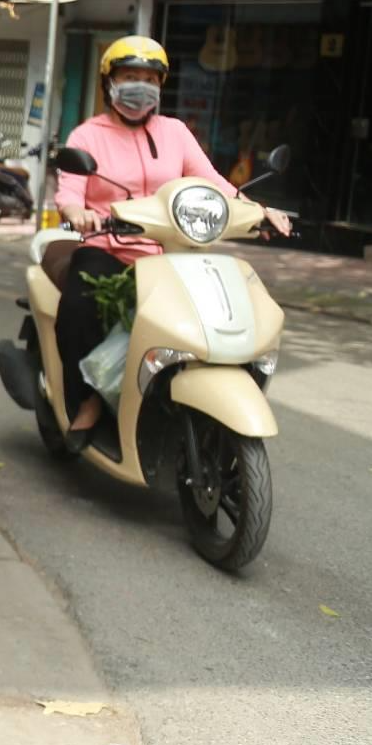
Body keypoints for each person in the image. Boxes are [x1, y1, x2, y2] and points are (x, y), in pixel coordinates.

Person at [51, 36, 291, 453]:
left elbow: (214, 183)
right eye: (129, 77)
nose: (140, 86)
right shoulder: (87, 136)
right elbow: (70, 191)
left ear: (160, 85)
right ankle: (87, 400)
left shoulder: (175, 132)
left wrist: (259, 211)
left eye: (149, 78)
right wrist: (78, 213)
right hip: (110, 247)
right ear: (109, 82)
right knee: (77, 309)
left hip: (172, 252)